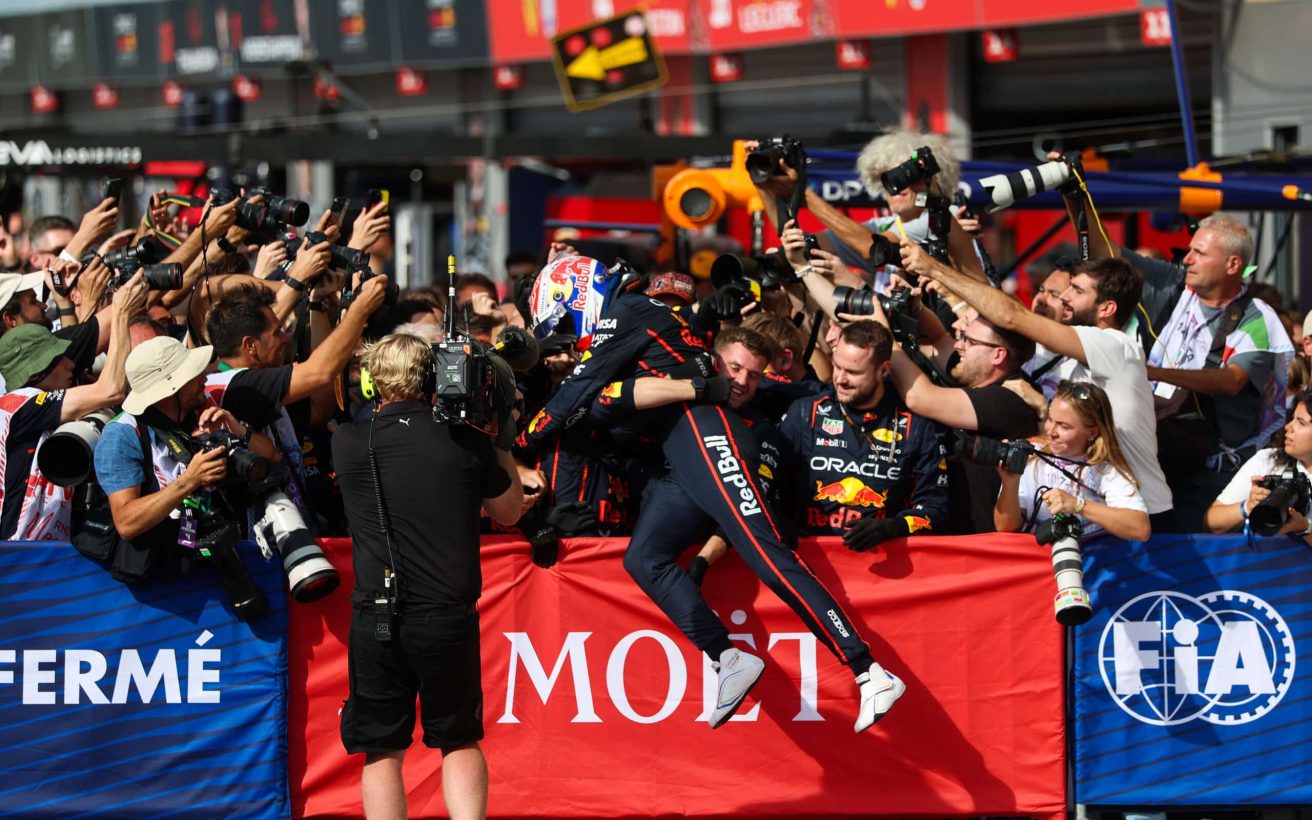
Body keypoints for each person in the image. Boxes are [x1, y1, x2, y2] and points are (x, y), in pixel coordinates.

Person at [520, 264, 906, 733]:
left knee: (767, 554)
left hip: (709, 436)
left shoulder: (629, 310)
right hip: (680, 458)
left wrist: (515, 446)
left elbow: (576, 395)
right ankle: (727, 657)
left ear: (580, 296)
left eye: (566, 319)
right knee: (644, 558)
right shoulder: (644, 324)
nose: (569, 334)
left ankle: (868, 670)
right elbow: (604, 398)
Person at [332, 333, 523, 820]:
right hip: (445, 617)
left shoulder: (346, 442)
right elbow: (509, 511)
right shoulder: (465, 440)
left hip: (375, 615)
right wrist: (499, 441)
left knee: (381, 750)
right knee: (458, 740)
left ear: (372, 382)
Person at [901, 247, 1175, 527]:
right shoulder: (1068, 360)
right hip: (1091, 516)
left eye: (1077, 291)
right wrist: (1044, 411)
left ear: (1107, 308)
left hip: (1141, 513)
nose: (1065, 297)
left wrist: (935, 269)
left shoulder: (1114, 346)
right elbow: (987, 333)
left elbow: (1011, 316)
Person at [1138, 215, 1294, 530]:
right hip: (1161, 457)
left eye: (1199, 253)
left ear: (1233, 264)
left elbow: (1232, 381)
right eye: (1189, 250)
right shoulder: (1174, 289)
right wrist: (1074, 194)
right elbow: (1103, 250)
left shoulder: (1257, 317)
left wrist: (1155, 373)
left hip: (1216, 470)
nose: (1187, 259)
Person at [93, 336, 275, 548]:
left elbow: (272, 456)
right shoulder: (121, 434)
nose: (204, 379)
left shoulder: (203, 414)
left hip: (219, 549)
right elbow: (126, 523)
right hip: (161, 563)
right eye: (193, 373)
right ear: (171, 387)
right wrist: (190, 480)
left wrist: (238, 430)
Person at [0, 275, 145, 540]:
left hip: (42, 552)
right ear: (35, 371)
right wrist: (121, 312)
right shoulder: (21, 404)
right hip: (17, 553)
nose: (70, 364)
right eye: (58, 358)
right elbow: (111, 389)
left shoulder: (23, 406)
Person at [779, 320, 950, 540]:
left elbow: (935, 508)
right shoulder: (805, 413)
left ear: (884, 370)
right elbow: (771, 484)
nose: (840, 379)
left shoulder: (915, 427)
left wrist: (894, 527)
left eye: (853, 372)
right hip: (812, 551)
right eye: (837, 366)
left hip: (883, 555)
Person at [995, 380, 1150, 542]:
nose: (1051, 431)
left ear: (1092, 432)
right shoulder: (1031, 458)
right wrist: (1010, 482)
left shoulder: (1105, 470)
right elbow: (1005, 527)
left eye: (1064, 426)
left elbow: (1140, 529)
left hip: (1092, 555)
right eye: (1049, 419)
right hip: (1041, 554)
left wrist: (1078, 505)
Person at [1204, 390, 1312, 539]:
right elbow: (1211, 523)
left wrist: (1305, 529)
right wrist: (1247, 506)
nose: (1288, 427)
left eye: (1301, 423)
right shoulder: (1268, 460)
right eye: (1292, 418)